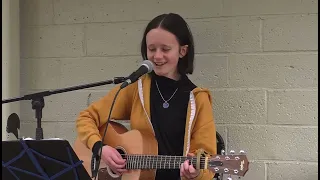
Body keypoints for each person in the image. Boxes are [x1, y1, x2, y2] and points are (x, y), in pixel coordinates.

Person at [76, 13, 217, 180]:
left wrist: (196, 173)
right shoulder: (137, 87)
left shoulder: (198, 99)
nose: (157, 56)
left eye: (165, 49)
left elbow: (207, 161)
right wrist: (100, 148)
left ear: (182, 51)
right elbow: (87, 117)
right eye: (151, 49)